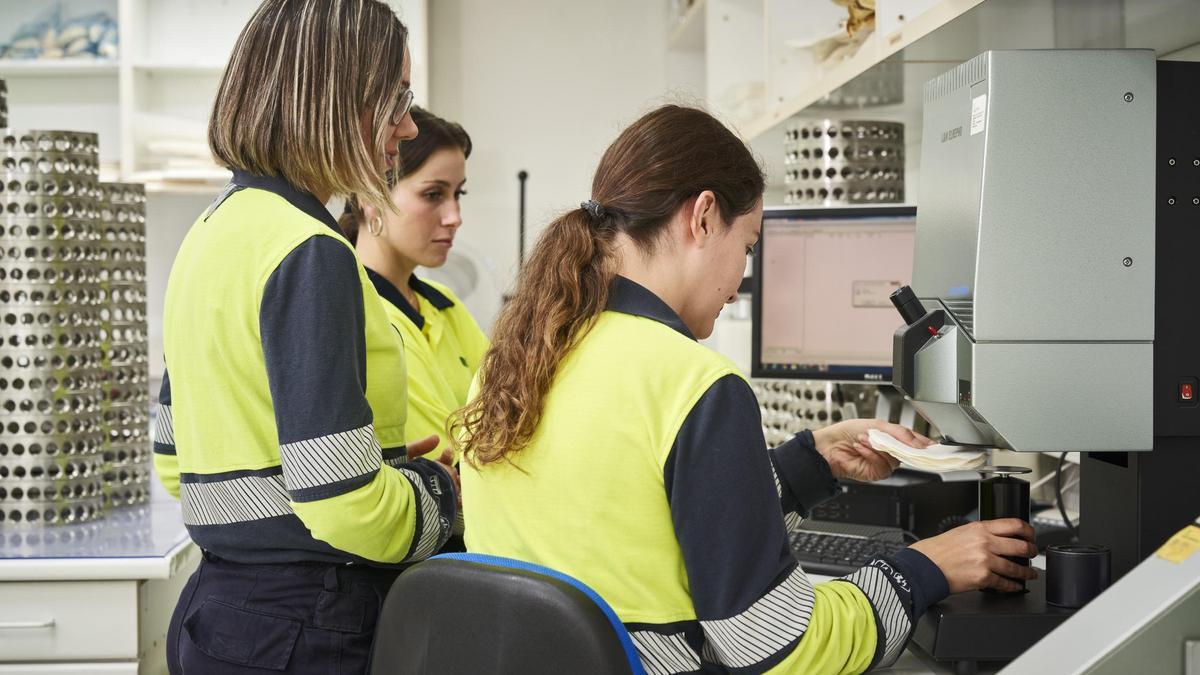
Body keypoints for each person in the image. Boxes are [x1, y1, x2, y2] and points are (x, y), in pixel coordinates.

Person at [455, 104, 1037, 675]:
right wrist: (924, 568)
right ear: (703, 216)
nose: (741, 280)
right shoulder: (695, 382)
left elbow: (622, 522)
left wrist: (806, 465)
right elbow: (782, 650)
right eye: (749, 247)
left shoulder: (514, 363)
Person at [152, 2, 458, 673]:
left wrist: (368, 472)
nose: (406, 127)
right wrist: (434, 495)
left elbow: (178, 462)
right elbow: (344, 504)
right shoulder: (310, 250)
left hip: (218, 612)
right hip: (303, 622)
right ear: (335, 97)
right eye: (396, 99)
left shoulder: (208, 234)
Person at [339, 107, 488, 460]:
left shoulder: (446, 305)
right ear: (371, 196)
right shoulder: (349, 310)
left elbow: (513, 412)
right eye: (434, 194)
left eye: (458, 195)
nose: (455, 217)